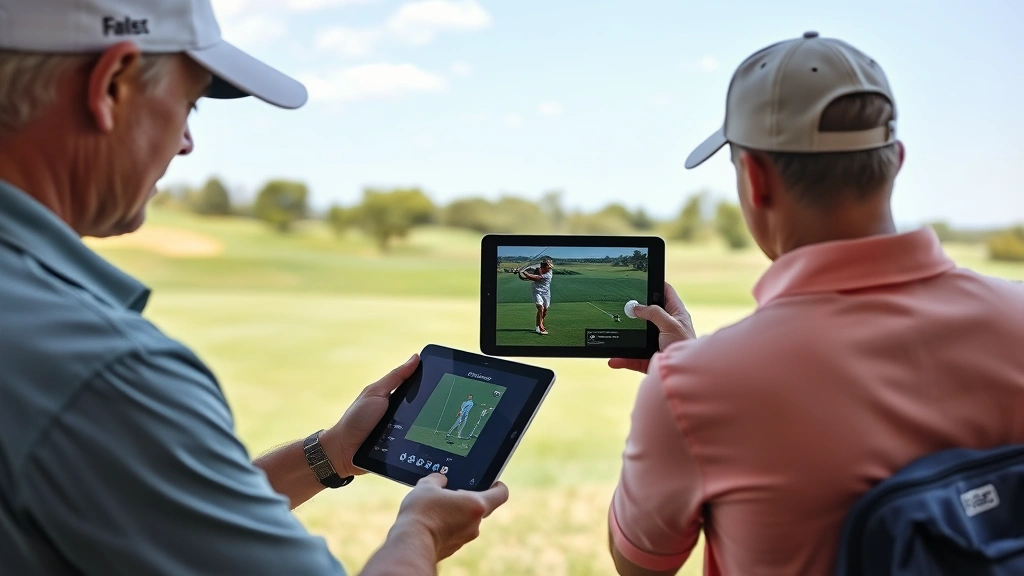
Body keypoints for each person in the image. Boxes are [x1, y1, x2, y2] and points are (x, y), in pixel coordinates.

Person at [0, 1, 507, 574]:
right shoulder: (100, 369)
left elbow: (171, 517)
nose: (187, 141)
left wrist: (333, 452)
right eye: (187, 103)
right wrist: (420, 531)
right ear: (111, 85)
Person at [605, 31, 1024, 576]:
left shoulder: (694, 387)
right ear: (895, 160)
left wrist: (685, 378)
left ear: (754, 180)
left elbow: (640, 564)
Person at [520, 258, 554, 335]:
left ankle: (539, 324)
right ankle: (540, 327)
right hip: (537, 290)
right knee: (540, 307)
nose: (548, 269)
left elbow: (533, 277)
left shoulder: (548, 274)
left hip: (546, 292)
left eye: (549, 268)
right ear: (543, 267)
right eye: (546, 268)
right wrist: (521, 270)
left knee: (545, 310)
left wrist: (524, 272)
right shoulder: (539, 268)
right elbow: (531, 269)